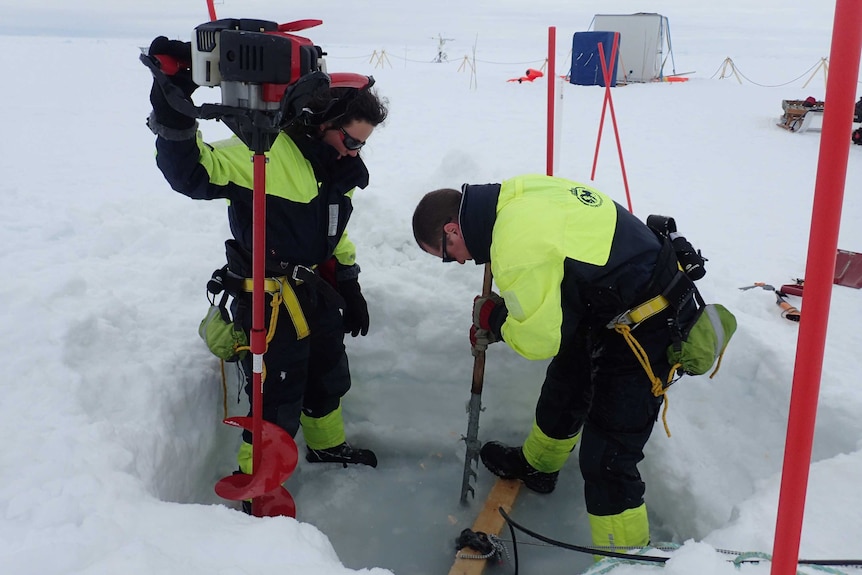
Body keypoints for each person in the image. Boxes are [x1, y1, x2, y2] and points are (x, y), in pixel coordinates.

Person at [145, 37, 389, 494]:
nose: (355, 151)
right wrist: (174, 101)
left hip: (315, 291)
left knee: (327, 374)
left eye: (362, 144)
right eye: (351, 140)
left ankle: (326, 445)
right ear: (321, 122)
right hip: (267, 300)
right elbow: (191, 173)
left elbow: (336, 230)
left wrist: (350, 283)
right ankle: (255, 479)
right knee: (274, 396)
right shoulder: (264, 154)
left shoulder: (337, 169)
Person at [412, 174, 698, 549]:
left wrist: (495, 320)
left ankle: (626, 562)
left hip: (649, 322)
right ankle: (538, 467)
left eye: (447, 255)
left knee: (607, 458)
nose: (459, 262)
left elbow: (539, 341)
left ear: (452, 230)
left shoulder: (512, 242)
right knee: (567, 381)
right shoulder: (515, 194)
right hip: (611, 302)